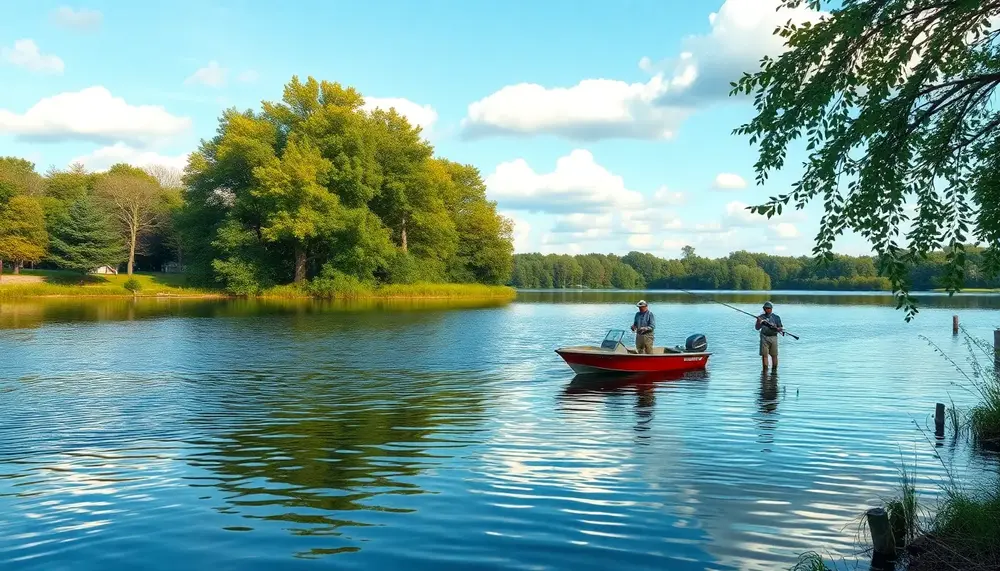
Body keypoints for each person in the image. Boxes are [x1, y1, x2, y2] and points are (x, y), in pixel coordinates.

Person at [755, 301, 784, 369]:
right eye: (765, 308)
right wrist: (759, 322)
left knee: (774, 355)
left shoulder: (776, 317)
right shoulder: (760, 317)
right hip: (764, 337)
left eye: (768, 308)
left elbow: (780, 328)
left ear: (771, 309)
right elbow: (757, 328)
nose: (767, 310)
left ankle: (774, 370)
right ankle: (765, 370)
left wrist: (776, 328)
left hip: (773, 337)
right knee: (764, 355)